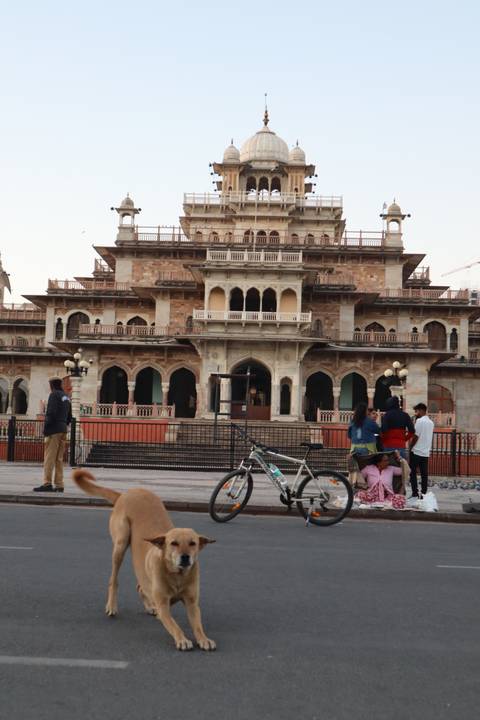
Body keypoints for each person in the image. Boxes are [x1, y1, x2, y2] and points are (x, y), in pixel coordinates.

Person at [33, 378, 72, 493]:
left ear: (51, 385)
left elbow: (51, 413)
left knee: (49, 458)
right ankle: (59, 485)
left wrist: (46, 429)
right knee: (59, 459)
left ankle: (47, 483)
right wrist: (64, 425)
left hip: (54, 430)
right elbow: (69, 416)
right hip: (63, 429)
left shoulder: (54, 395)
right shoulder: (66, 397)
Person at [409, 402, 434, 498]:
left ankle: (415, 492)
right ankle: (423, 493)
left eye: (416, 411)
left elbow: (416, 436)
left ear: (421, 410)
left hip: (416, 451)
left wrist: (411, 447)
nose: (416, 413)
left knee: (413, 473)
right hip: (425, 452)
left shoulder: (420, 421)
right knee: (424, 474)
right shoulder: (431, 423)